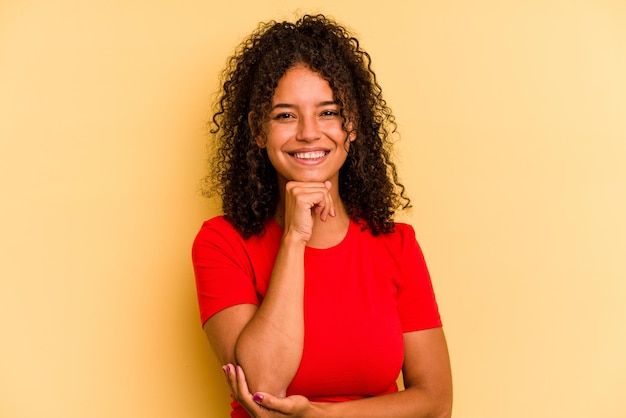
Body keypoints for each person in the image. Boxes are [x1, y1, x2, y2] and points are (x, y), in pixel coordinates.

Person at [192, 14, 452, 418]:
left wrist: (325, 417)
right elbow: (260, 388)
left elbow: (435, 402)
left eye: (328, 112)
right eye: (285, 115)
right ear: (258, 132)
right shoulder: (221, 243)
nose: (309, 132)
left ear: (353, 128)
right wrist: (295, 238)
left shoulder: (396, 244)